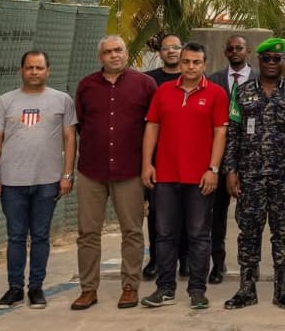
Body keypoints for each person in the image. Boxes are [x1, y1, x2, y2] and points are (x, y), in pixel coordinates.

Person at [0, 50, 77, 310]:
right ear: (21, 70)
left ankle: (36, 288)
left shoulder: (62, 101)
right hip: (12, 182)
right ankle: (14, 288)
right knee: (15, 237)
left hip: (47, 181)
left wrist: (67, 174)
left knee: (40, 236)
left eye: (39, 67)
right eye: (29, 67)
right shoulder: (6, 101)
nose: (34, 72)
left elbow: (70, 138)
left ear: (48, 71)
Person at [140, 42, 229, 310]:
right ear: (180, 63)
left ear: (204, 64)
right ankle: (165, 289)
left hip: (200, 178)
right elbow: (152, 127)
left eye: (196, 62)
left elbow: (220, 133)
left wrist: (213, 169)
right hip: (166, 176)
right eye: (186, 62)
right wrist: (147, 164)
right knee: (164, 234)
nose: (191, 67)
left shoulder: (216, 94)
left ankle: (197, 291)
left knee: (199, 236)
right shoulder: (163, 91)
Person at [72, 35, 154, 311]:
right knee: (87, 233)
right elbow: (82, 124)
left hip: (129, 170)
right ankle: (88, 289)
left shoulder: (144, 85)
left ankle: (130, 287)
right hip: (91, 171)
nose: (114, 55)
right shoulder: (86, 86)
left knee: (132, 231)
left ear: (126, 52)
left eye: (118, 50)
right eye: (108, 52)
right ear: (100, 57)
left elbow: (153, 126)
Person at [221, 38, 285, 310]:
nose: (271, 63)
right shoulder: (241, 92)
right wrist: (230, 170)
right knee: (248, 234)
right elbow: (232, 133)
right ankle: (247, 289)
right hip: (250, 176)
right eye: (266, 58)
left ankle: (282, 290)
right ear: (258, 60)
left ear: (283, 62)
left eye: (276, 59)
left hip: (284, 178)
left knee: (284, 235)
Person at [205, 33, 256, 286]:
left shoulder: (260, 80)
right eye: (231, 48)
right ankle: (218, 263)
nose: (235, 51)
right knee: (216, 217)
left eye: (240, 48)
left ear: (248, 52)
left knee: (251, 217)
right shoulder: (213, 80)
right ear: (225, 53)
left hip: (251, 160)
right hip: (220, 159)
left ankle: (251, 264)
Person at [140, 32, 184, 278]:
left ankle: (185, 260)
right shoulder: (148, 81)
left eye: (176, 47)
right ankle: (156, 259)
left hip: (187, 154)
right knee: (157, 212)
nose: (172, 51)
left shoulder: (195, 78)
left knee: (188, 212)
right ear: (160, 53)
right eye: (167, 48)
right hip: (158, 157)